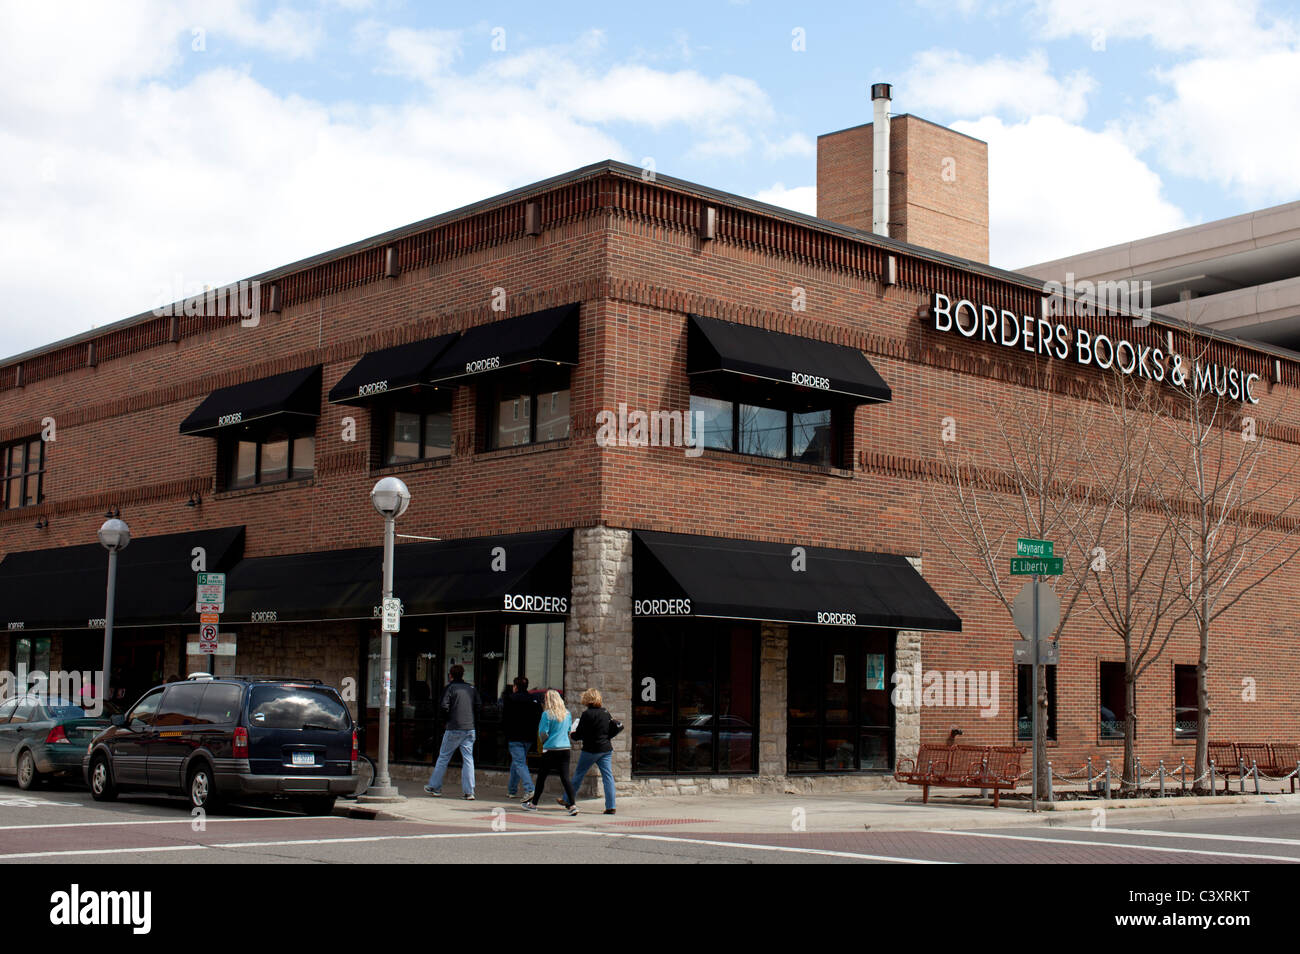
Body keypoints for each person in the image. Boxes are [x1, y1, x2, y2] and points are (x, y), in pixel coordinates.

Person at [425, 664, 481, 799]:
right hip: (469, 727)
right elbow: (479, 705)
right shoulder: (471, 688)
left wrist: (447, 720)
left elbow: (444, 706)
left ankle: (435, 786)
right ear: (463, 675)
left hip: (454, 727)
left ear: (450, 675)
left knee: (443, 757)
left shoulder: (450, 688)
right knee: (468, 759)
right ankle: (469, 792)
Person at [521, 690, 577, 815]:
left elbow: (542, 733)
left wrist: (546, 742)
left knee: (542, 777)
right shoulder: (567, 714)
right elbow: (569, 730)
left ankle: (534, 803)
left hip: (551, 749)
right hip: (565, 748)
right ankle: (573, 805)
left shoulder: (547, 714)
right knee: (565, 778)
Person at [569, 688, 622, 815]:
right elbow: (611, 728)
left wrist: (572, 734)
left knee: (579, 774)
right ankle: (611, 806)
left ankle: (567, 799)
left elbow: (580, 733)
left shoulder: (587, 714)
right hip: (605, 749)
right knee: (607, 777)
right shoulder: (605, 712)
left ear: (587, 699)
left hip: (590, 749)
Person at [502, 676, 541, 800]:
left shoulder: (510, 699)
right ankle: (512, 790)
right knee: (517, 761)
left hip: (515, 736)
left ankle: (529, 789)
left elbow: (504, 718)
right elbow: (538, 717)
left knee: (519, 762)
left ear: (515, 687)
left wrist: (505, 733)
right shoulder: (533, 700)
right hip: (529, 737)